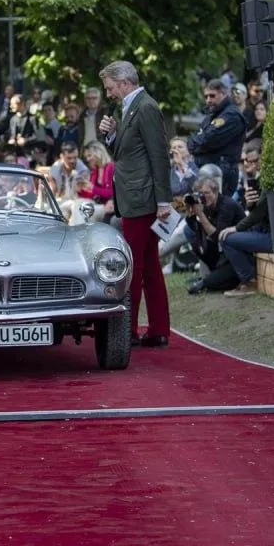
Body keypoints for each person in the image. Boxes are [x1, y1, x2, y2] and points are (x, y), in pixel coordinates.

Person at [97, 60, 171, 348]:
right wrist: (111, 134)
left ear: (124, 82)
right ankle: (158, 329)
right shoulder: (130, 107)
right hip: (136, 197)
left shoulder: (146, 107)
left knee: (133, 267)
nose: (109, 94)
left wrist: (163, 200)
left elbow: (159, 155)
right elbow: (125, 152)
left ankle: (127, 331)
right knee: (149, 264)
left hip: (142, 200)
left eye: (110, 88)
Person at [218, 140, 271, 296]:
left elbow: (259, 213)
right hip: (261, 229)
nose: (252, 165)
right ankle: (248, 277)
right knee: (227, 235)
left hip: (272, 236)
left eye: (255, 161)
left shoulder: (269, 178)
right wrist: (250, 203)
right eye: (248, 161)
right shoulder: (257, 178)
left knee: (226, 238)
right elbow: (257, 211)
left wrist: (237, 228)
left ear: (264, 157)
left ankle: (249, 281)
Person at [186, 79, 247, 197]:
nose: (208, 100)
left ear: (223, 94)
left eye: (212, 96)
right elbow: (195, 138)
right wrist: (196, 142)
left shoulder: (231, 115)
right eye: (206, 96)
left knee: (218, 207)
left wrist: (196, 143)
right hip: (208, 169)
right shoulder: (213, 114)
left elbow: (207, 140)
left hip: (222, 172)